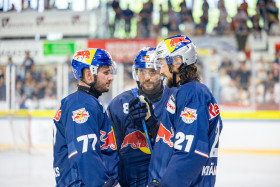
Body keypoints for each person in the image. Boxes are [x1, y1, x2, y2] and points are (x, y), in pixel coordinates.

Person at [148, 35, 223, 187]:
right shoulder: (189, 92)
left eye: (162, 63)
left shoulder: (192, 94)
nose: (160, 71)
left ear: (177, 62)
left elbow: (190, 152)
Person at [107, 47, 176, 187]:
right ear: (136, 72)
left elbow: (183, 150)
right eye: (142, 71)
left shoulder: (176, 98)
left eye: (153, 71)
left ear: (161, 72)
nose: (147, 77)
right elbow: (111, 150)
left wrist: (153, 125)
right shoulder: (119, 104)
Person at [53, 48, 120, 187]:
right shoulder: (81, 105)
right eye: (106, 72)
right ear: (89, 75)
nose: (110, 77)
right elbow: (84, 153)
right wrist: (104, 183)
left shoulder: (85, 101)